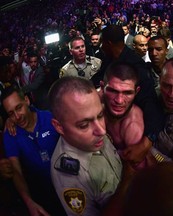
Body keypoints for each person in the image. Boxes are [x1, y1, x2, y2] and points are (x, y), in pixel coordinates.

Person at [91, 24, 165, 166]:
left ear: (108, 43)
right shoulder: (109, 59)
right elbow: (96, 79)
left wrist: (146, 142)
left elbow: (151, 104)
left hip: (131, 131)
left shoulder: (137, 67)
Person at [49, 76, 122, 216]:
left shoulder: (94, 135)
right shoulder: (70, 177)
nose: (102, 131)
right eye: (84, 125)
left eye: (100, 115)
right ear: (59, 127)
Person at [1, 85, 66, 216]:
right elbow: (16, 171)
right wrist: (28, 201)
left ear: (27, 100)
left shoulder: (50, 118)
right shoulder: (10, 134)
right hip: (44, 194)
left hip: (70, 184)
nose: (17, 117)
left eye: (18, 108)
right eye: (11, 113)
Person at [100, 62, 147, 169]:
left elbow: (138, 173)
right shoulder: (92, 102)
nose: (119, 100)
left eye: (127, 93)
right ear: (102, 88)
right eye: (113, 91)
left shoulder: (133, 125)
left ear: (136, 92)